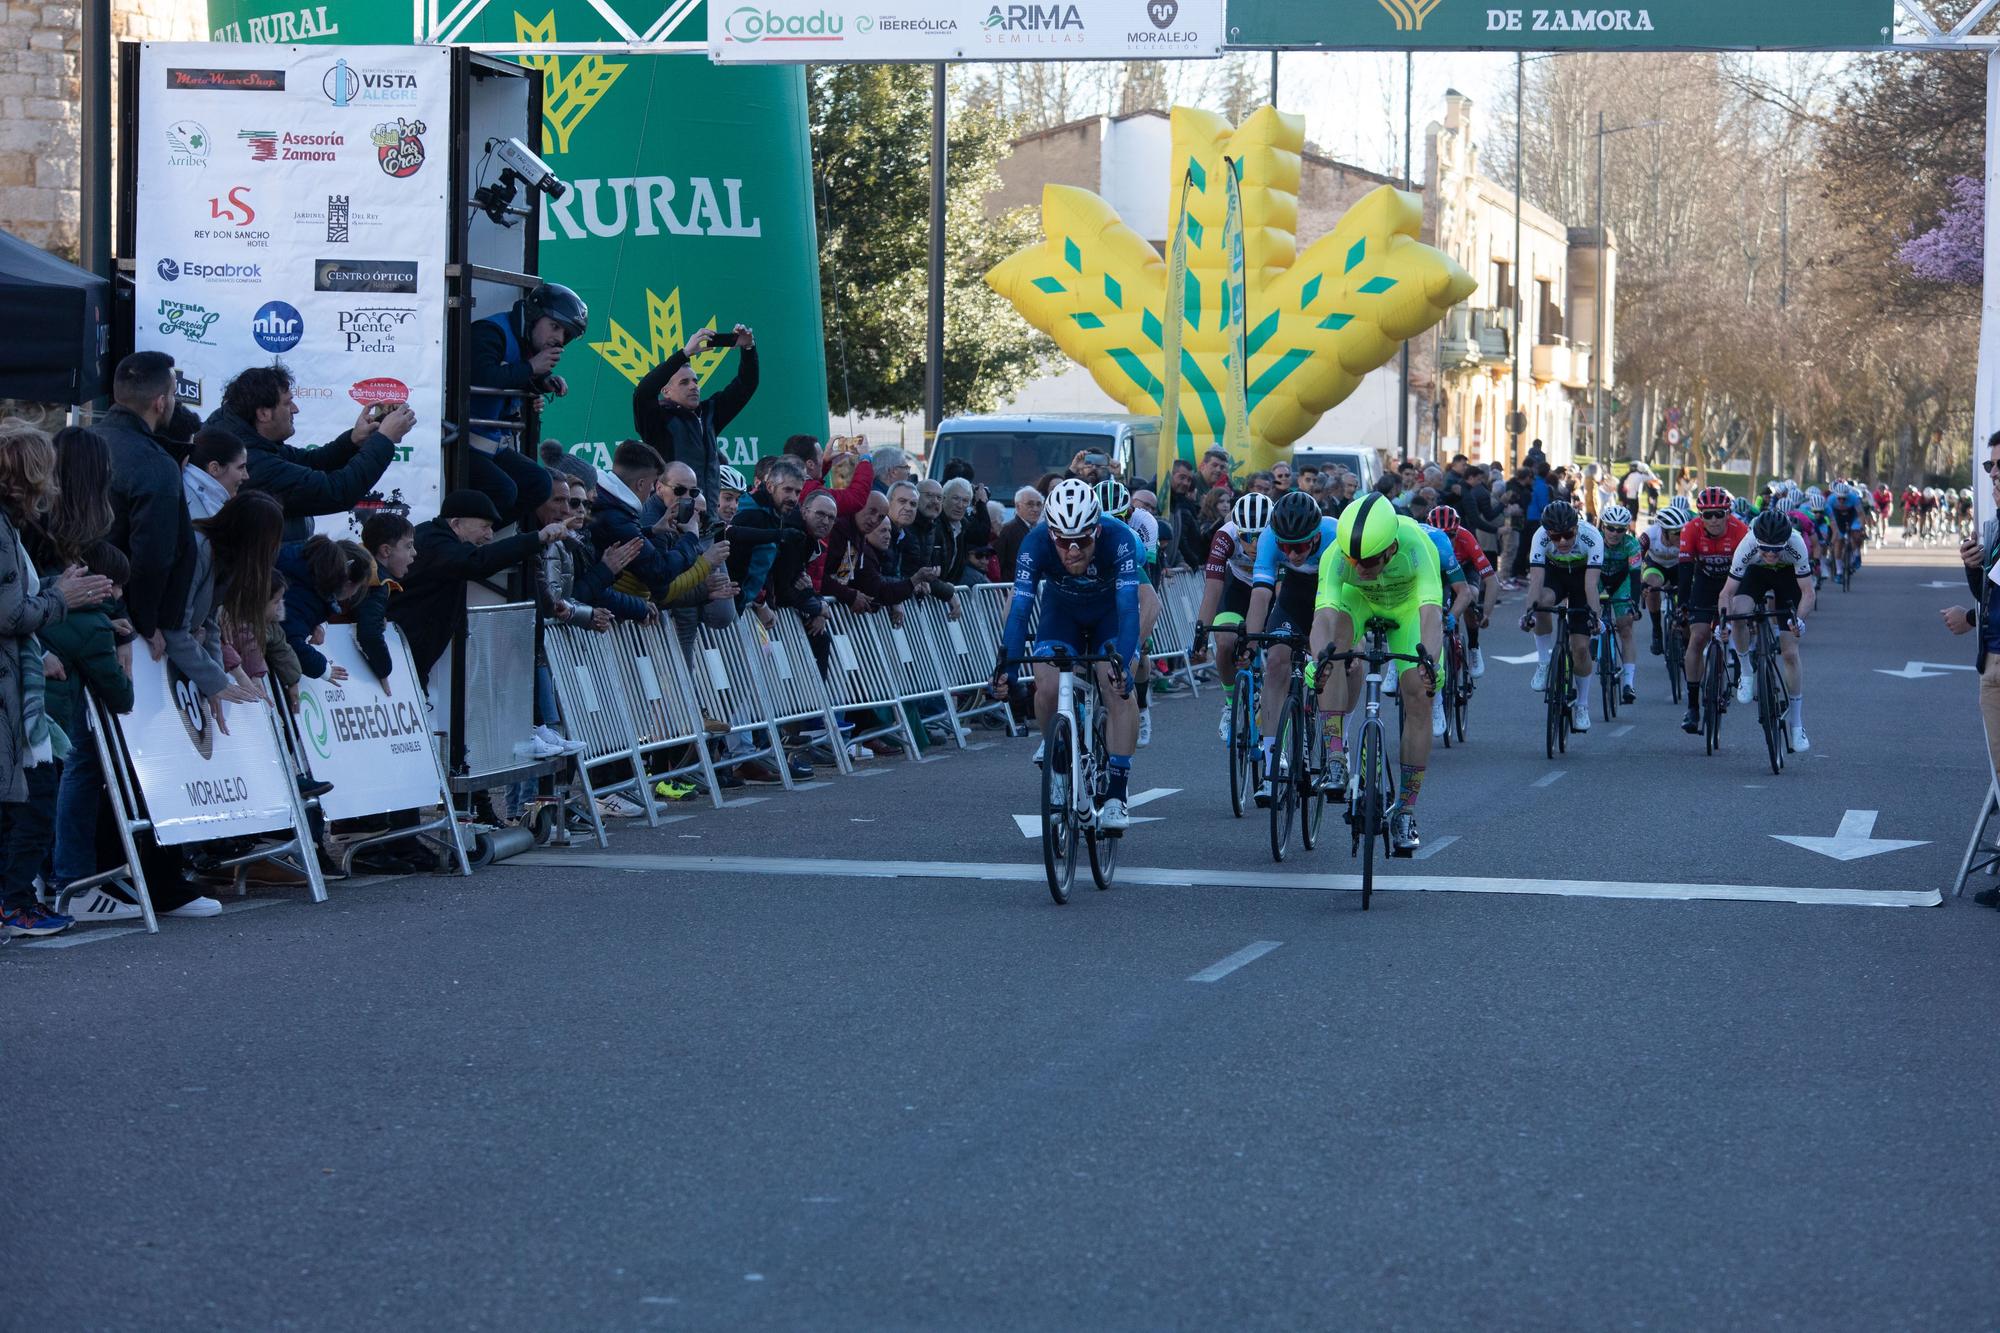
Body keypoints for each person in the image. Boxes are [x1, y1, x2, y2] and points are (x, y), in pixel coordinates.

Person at [0, 423, 117, 938]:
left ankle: (15, 899)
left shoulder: (9, 529)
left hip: (16, 685)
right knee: (29, 796)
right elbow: (10, 614)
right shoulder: (4, 530)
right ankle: (13, 903)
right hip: (12, 691)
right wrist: (62, 599)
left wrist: (63, 593)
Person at [992, 479, 1143, 831]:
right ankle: (1059, 767)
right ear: (1051, 534)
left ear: (1097, 530)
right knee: (1044, 687)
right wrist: (1007, 669)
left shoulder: (1120, 540)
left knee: (1117, 687)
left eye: (1083, 541)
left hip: (1109, 615)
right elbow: (1019, 610)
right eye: (1063, 541)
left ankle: (1118, 794)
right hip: (1062, 614)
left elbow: (1129, 609)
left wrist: (1123, 662)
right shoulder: (1034, 543)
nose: (1073, 549)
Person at [1309, 492, 1444, 853]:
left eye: (1368, 561)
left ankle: (1406, 810)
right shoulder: (1337, 556)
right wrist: (1316, 661)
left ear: (1391, 548)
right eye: (1353, 559)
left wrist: (1430, 661)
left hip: (1407, 607)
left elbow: (1431, 612)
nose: (1359, 567)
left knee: (1418, 690)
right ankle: (1335, 755)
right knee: (1331, 650)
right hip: (1359, 601)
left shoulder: (1415, 545)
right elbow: (1323, 614)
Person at [204, 364, 416, 542]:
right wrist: (384, 440)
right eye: (287, 403)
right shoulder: (252, 460)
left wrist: (354, 441)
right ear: (263, 413)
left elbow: (310, 462)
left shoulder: (243, 437)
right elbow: (337, 491)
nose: (295, 409)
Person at [389, 489, 570, 692]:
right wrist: (536, 538)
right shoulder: (436, 544)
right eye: (485, 527)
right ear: (456, 524)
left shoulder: (435, 537)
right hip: (399, 655)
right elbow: (478, 562)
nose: (489, 535)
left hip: (405, 653)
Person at [41, 540, 135, 924]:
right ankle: (75, 885)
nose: (121, 595)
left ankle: (42, 885)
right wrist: (124, 663)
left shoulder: (49, 610)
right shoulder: (94, 625)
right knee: (61, 789)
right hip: (53, 723)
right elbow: (120, 696)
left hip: (30, 716)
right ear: (103, 585)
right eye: (118, 587)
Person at [1243, 490, 1341, 802]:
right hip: (1293, 601)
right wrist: (1251, 641)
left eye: (1298, 546)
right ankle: (1273, 768)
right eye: (1285, 546)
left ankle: (1338, 749)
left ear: (1314, 537)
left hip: (1332, 598)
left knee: (1333, 663)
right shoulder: (1271, 539)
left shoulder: (1335, 535)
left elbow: (1348, 598)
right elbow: (1261, 595)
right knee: (1275, 662)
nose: (1292, 553)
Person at [98, 351, 198, 654]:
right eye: (172, 395)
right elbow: (153, 556)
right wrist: (145, 622)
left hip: (75, 606)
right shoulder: (156, 465)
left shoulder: (73, 441)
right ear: (160, 402)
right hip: (120, 623)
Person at [469, 282, 585, 519]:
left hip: (493, 443)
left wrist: (542, 382)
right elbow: (481, 376)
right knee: (504, 490)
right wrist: (531, 368)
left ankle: (487, 539)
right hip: (463, 441)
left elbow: (516, 375)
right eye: (554, 326)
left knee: (539, 483)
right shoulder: (489, 332)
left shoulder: (527, 340)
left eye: (565, 334)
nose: (558, 339)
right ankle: (471, 543)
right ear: (533, 316)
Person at [1718, 505, 1816, 751]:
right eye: (1766, 549)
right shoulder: (1748, 544)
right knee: (1740, 613)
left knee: (1790, 653)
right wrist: (1724, 621)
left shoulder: (1796, 544)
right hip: (1756, 573)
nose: (1771, 554)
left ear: (1785, 542)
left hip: (1787, 578)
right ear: (1757, 541)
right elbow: (1727, 592)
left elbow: (1807, 592)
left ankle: (1796, 724)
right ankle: (1746, 671)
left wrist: (1799, 620)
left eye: (1776, 549)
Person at [633, 325, 758, 510]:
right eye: (684, 382)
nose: (693, 386)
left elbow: (747, 384)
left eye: (695, 381)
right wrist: (684, 354)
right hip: (670, 518)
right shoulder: (657, 419)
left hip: (708, 518)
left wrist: (748, 348)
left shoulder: (709, 414)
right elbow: (643, 393)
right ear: (665, 391)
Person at [1518, 500, 1605, 734]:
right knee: (1541, 605)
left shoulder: (1592, 537)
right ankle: (1544, 663)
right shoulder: (1540, 537)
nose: (1563, 541)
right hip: (1554, 576)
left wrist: (1595, 617)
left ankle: (1583, 705)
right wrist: (1528, 613)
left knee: (1580, 649)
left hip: (1581, 580)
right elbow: (1536, 580)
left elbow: (1591, 585)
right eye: (1556, 537)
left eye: (1568, 535)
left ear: (1576, 528)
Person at [1192, 491, 1272, 742]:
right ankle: (1230, 703)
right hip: (1236, 589)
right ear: (1238, 531)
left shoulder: (1281, 538)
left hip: (1272, 589)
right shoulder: (1225, 536)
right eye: (1247, 537)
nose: (1255, 545)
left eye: (1261, 537)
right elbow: (1213, 588)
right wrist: (1201, 634)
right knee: (1225, 644)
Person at [1676, 486, 1750, 735]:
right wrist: (1682, 604)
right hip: (1705, 584)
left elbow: (1749, 573)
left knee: (1737, 623)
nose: (1714, 520)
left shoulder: (1740, 530)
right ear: (1700, 516)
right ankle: (1693, 706)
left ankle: (1741, 666)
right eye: (1707, 515)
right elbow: (1685, 571)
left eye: (1719, 513)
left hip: (1734, 582)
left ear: (1728, 513)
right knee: (1697, 638)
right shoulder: (1690, 530)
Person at [1595, 504, 1644, 705]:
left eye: (1620, 529)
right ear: (1602, 526)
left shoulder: (1632, 545)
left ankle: (1628, 683)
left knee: (1625, 627)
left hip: (1621, 582)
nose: (1615, 533)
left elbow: (1635, 577)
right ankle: (1593, 636)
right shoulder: (1594, 540)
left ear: (1627, 530)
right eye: (1610, 528)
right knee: (1588, 611)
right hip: (1597, 578)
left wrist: (1634, 603)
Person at [182, 429, 249, 520]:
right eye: (241, 467)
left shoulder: (185, 493)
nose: (246, 476)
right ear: (215, 468)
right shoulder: (199, 514)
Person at [996, 485, 1043, 581]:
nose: (1035, 509)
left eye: (1039, 504)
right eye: (1030, 504)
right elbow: (999, 563)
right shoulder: (1008, 530)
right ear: (1018, 507)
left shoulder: (1040, 531)